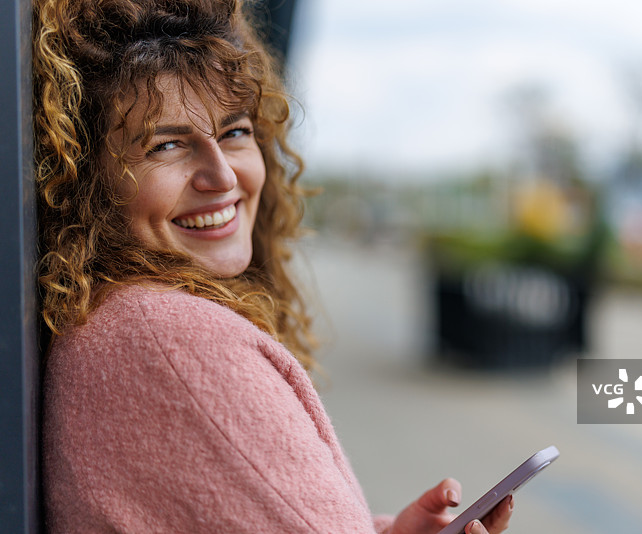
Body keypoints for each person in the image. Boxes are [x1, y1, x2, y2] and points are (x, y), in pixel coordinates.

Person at [33, 1, 515, 532]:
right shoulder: (176, 341)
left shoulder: (109, 322)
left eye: (235, 132)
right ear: (86, 183)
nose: (221, 176)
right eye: (166, 144)